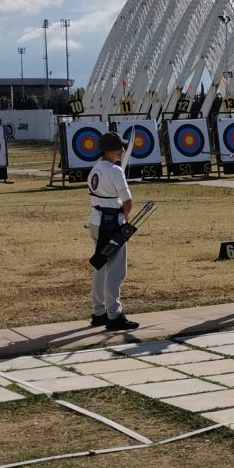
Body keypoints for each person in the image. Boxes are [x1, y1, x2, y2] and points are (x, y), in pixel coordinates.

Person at [86, 134, 139, 332]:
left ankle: (99, 312)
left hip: (96, 221)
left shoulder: (96, 167)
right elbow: (128, 201)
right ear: (107, 150)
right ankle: (114, 315)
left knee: (101, 264)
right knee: (115, 270)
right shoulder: (115, 170)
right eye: (118, 149)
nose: (122, 152)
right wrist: (124, 223)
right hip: (111, 224)